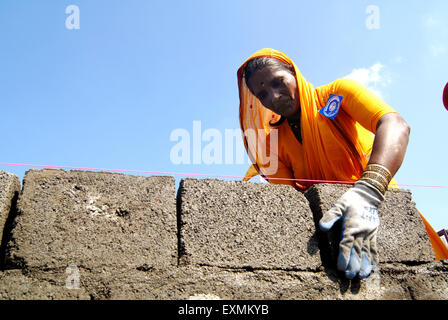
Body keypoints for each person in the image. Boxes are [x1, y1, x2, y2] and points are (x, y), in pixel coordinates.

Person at [237, 48, 448, 279]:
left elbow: (394, 124)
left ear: (293, 71)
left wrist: (368, 192)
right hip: (333, 236)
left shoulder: (337, 94)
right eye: (262, 95)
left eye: (279, 82)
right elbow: (291, 205)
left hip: (384, 211)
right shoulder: (271, 144)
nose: (274, 97)